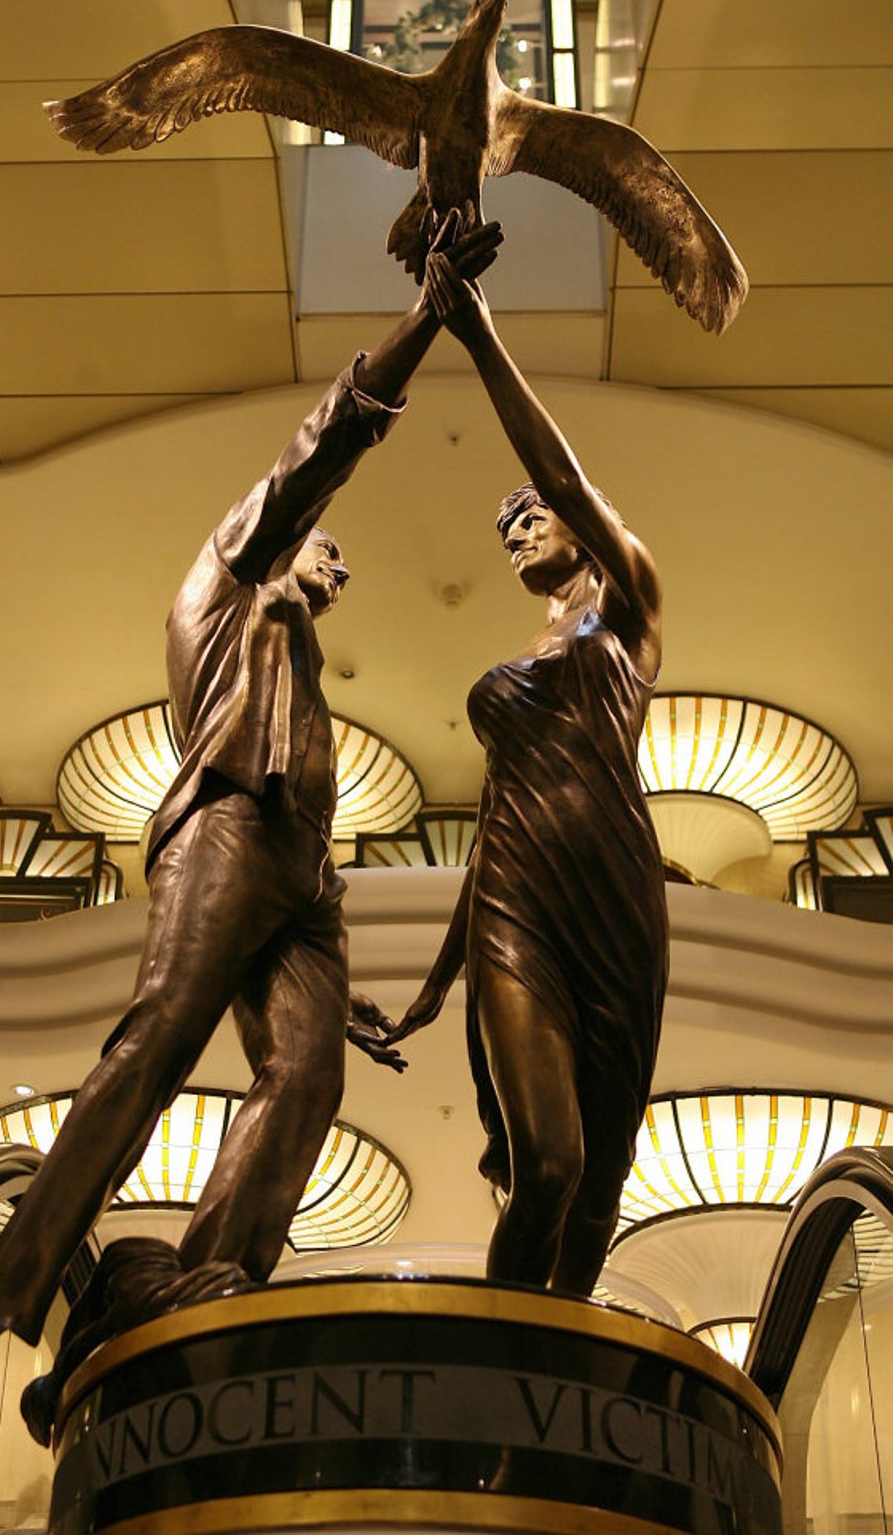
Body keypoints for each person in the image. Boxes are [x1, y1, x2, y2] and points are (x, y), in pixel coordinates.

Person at [0, 218, 502, 1456]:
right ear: (279, 542)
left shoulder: (304, 670)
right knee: (157, 1040)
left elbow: (308, 823)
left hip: (303, 877)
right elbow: (322, 445)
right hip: (225, 822)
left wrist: (328, 983)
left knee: (308, 1078)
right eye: (324, 551)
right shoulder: (226, 584)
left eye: (339, 567)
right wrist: (427, 320)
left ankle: (195, 1294)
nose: (334, 568)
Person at [386, 246, 668, 1296]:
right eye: (504, 530)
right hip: (515, 895)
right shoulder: (527, 660)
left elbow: (560, 472)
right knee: (547, 1162)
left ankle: (566, 1367)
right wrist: (429, 988)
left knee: (599, 1179)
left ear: (583, 530)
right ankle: (502, 1376)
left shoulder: (628, 602)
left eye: (528, 519)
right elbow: (492, 827)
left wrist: (477, 331)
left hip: (613, 888)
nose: (513, 532)